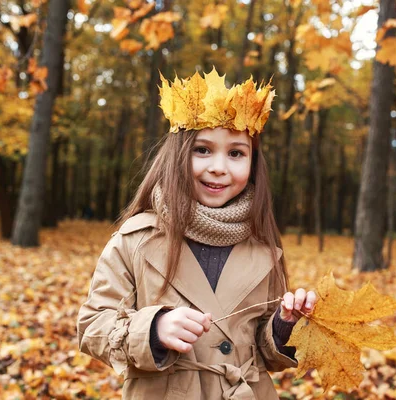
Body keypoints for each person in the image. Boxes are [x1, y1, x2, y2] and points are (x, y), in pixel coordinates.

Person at [77, 68, 317, 399]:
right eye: (202, 150)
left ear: (252, 164)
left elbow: (264, 349)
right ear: (177, 156)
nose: (219, 166)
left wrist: (284, 325)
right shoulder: (135, 239)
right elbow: (92, 325)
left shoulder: (263, 247)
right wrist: (152, 330)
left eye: (235, 153)